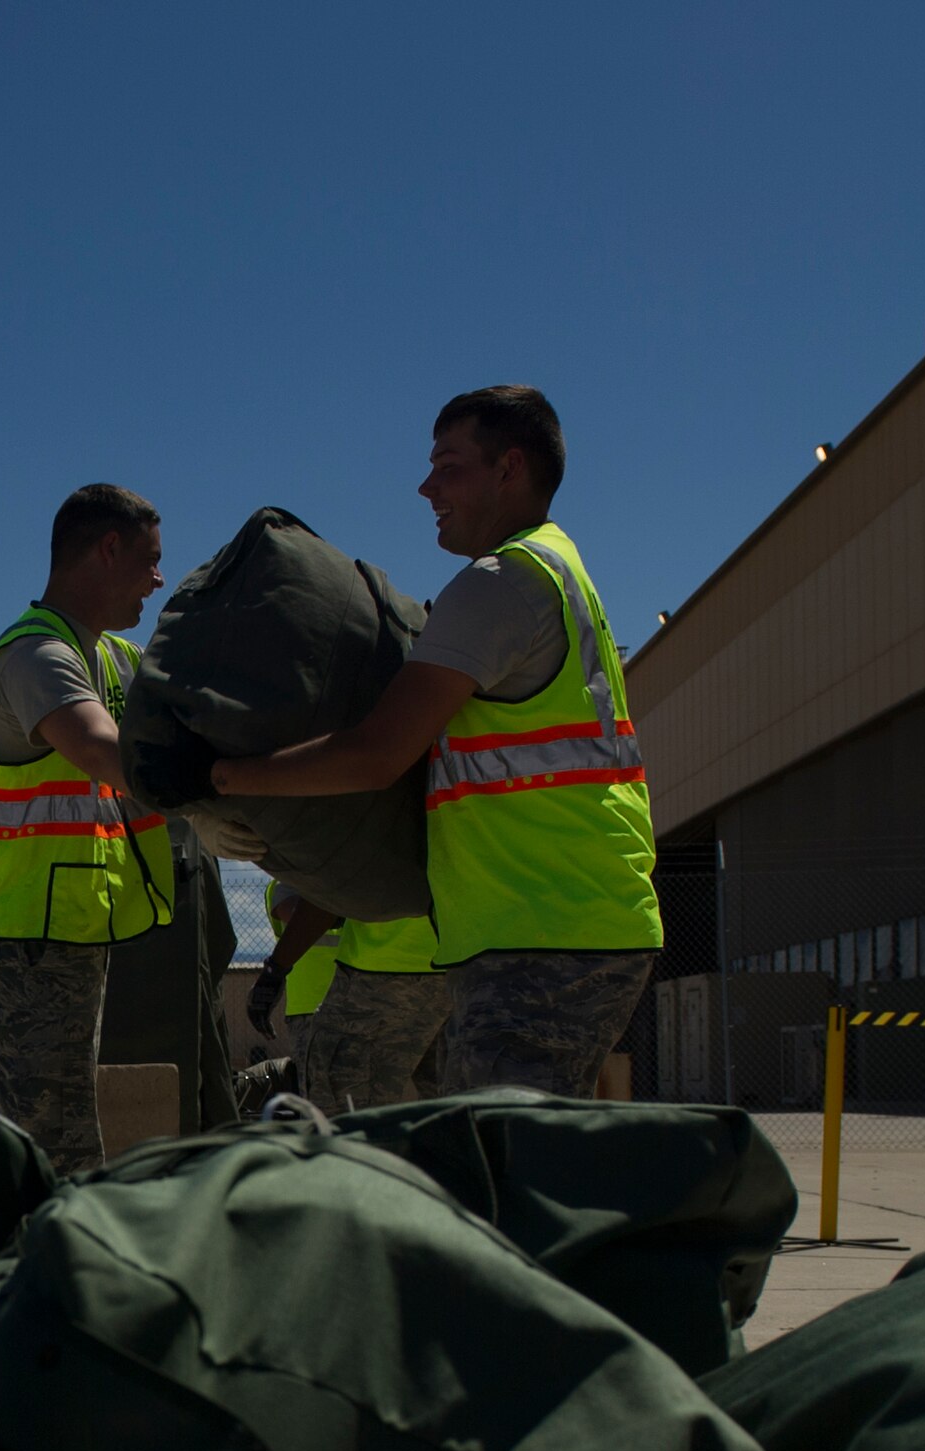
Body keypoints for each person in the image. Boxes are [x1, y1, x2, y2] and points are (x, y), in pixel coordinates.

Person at [187, 385, 661, 1098]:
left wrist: (221, 779)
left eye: (448, 465)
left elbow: (376, 754)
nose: (425, 486)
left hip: (542, 932)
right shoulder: (556, 571)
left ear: (508, 468)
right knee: (502, 1166)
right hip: (559, 921)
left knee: (500, 1171)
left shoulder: (500, 584)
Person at [0, 484, 174, 1174]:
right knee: (52, 1141)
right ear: (108, 548)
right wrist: (231, 785)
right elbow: (106, 753)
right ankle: (45, 1272)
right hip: (23, 940)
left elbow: (181, 707)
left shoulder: (109, 658)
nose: (158, 580)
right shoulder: (35, 655)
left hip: (62, 933)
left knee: (44, 1125)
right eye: (150, 560)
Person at [250, 899, 449, 1113]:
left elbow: (325, 898)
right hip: (459, 967)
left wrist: (275, 970)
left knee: (343, 1108)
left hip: (376, 974)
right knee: (457, 1101)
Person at [251, 881, 342, 1074]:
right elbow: (302, 918)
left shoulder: (348, 883)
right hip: (310, 1010)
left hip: (356, 1001)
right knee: (318, 1088)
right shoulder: (285, 886)